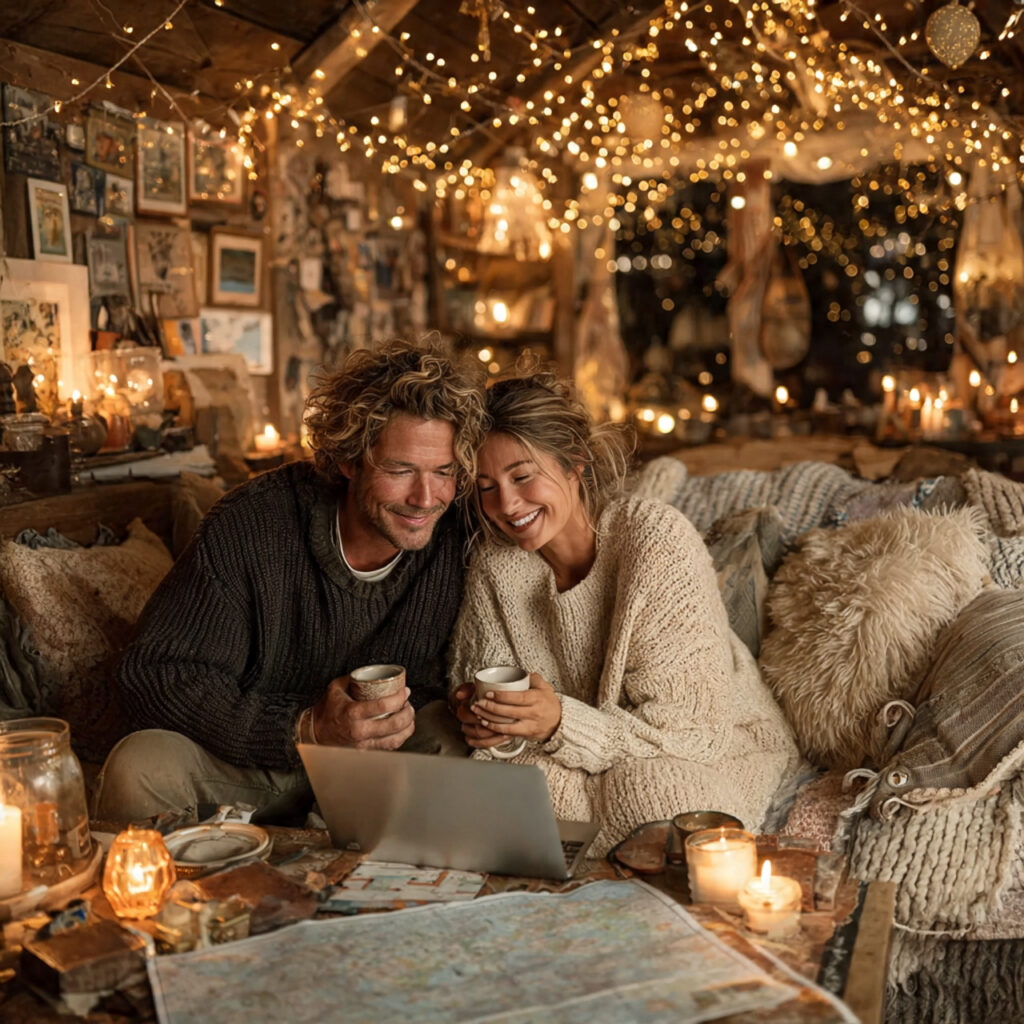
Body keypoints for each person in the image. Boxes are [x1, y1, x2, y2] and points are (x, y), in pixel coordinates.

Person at [94, 340, 485, 823]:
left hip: (378, 774)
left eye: (443, 472)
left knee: (448, 734)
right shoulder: (254, 524)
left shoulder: (458, 534)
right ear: (348, 460)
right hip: (250, 768)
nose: (426, 498)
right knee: (138, 768)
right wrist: (305, 728)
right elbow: (154, 675)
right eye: (400, 470)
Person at [449, 371, 800, 855]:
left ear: (575, 465)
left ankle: (596, 838)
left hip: (704, 749)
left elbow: (692, 735)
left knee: (655, 796)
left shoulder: (654, 541)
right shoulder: (495, 564)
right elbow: (498, 730)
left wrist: (559, 725)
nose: (506, 505)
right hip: (575, 757)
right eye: (485, 486)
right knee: (486, 790)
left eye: (523, 476)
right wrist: (490, 724)